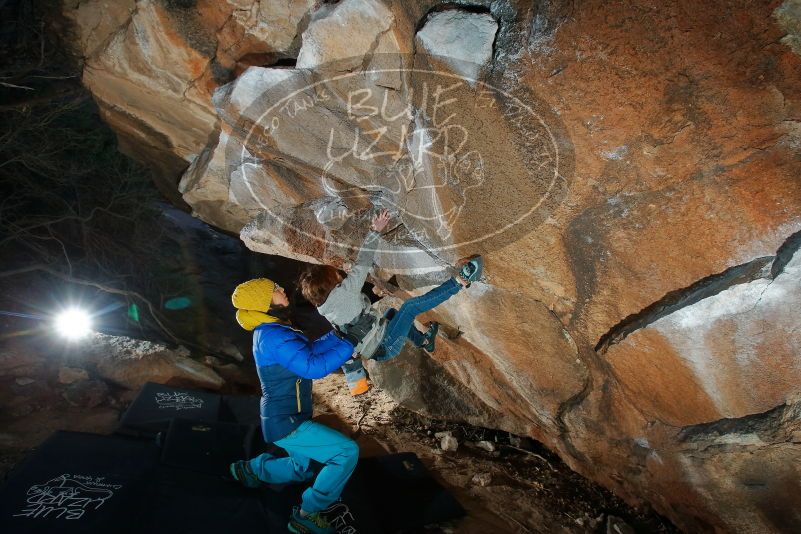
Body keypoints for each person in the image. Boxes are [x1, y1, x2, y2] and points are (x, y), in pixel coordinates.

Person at [228, 277, 356, 534]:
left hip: (286, 417)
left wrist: (340, 336)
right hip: (287, 423)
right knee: (346, 452)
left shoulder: (271, 329)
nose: (282, 289)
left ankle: (254, 471)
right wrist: (349, 344)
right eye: (275, 289)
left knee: (300, 468)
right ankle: (307, 515)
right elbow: (313, 367)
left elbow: (309, 350)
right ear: (264, 302)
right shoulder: (273, 337)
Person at [299, 208, 483, 364]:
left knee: (392, 315)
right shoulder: (344, 292)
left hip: (375, 346)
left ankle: (424, 342)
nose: (338, 274)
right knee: (409, 308)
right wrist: (374, 230)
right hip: (385, 345)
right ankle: (460, 282)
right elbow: (362, 262)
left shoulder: (323, 307)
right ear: (329, 281)